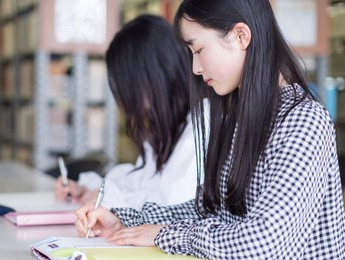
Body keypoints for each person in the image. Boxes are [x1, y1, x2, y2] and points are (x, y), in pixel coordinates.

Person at [74, 0, 345, 259]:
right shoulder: (239, 117)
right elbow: (209, 210)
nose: (195, 68)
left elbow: (263, 245)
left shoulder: (303, 120)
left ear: (241, 36)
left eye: (199, 50)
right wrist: (125, 221)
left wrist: (166, 235)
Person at [55, 14, 201, 210]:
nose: (127, 101)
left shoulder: (200, 128)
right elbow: (141, 181)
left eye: (128, 86)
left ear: (152, 77)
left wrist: (106, 198)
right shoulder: (167, 128)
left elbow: (170, 206)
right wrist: (92, 189)